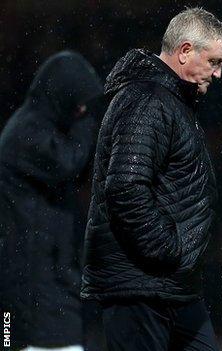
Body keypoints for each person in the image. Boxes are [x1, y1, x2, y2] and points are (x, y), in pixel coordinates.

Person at [80, 7, 222, 351]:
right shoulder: (148, 99)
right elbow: (125, 187)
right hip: (141, 286)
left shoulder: (170, 101)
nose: (218, 74)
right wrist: (168, 250)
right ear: (186, 51)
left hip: (170, 286)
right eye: (215, 62)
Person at [0, 51, 103, 350]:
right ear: (63, 94)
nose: (82, 109)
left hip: (45, 277)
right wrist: (88, 123)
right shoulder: (27, 131)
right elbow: (68, 163)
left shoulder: (38, 128)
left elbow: (78, 170)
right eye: (79, 101)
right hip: (32, 283)